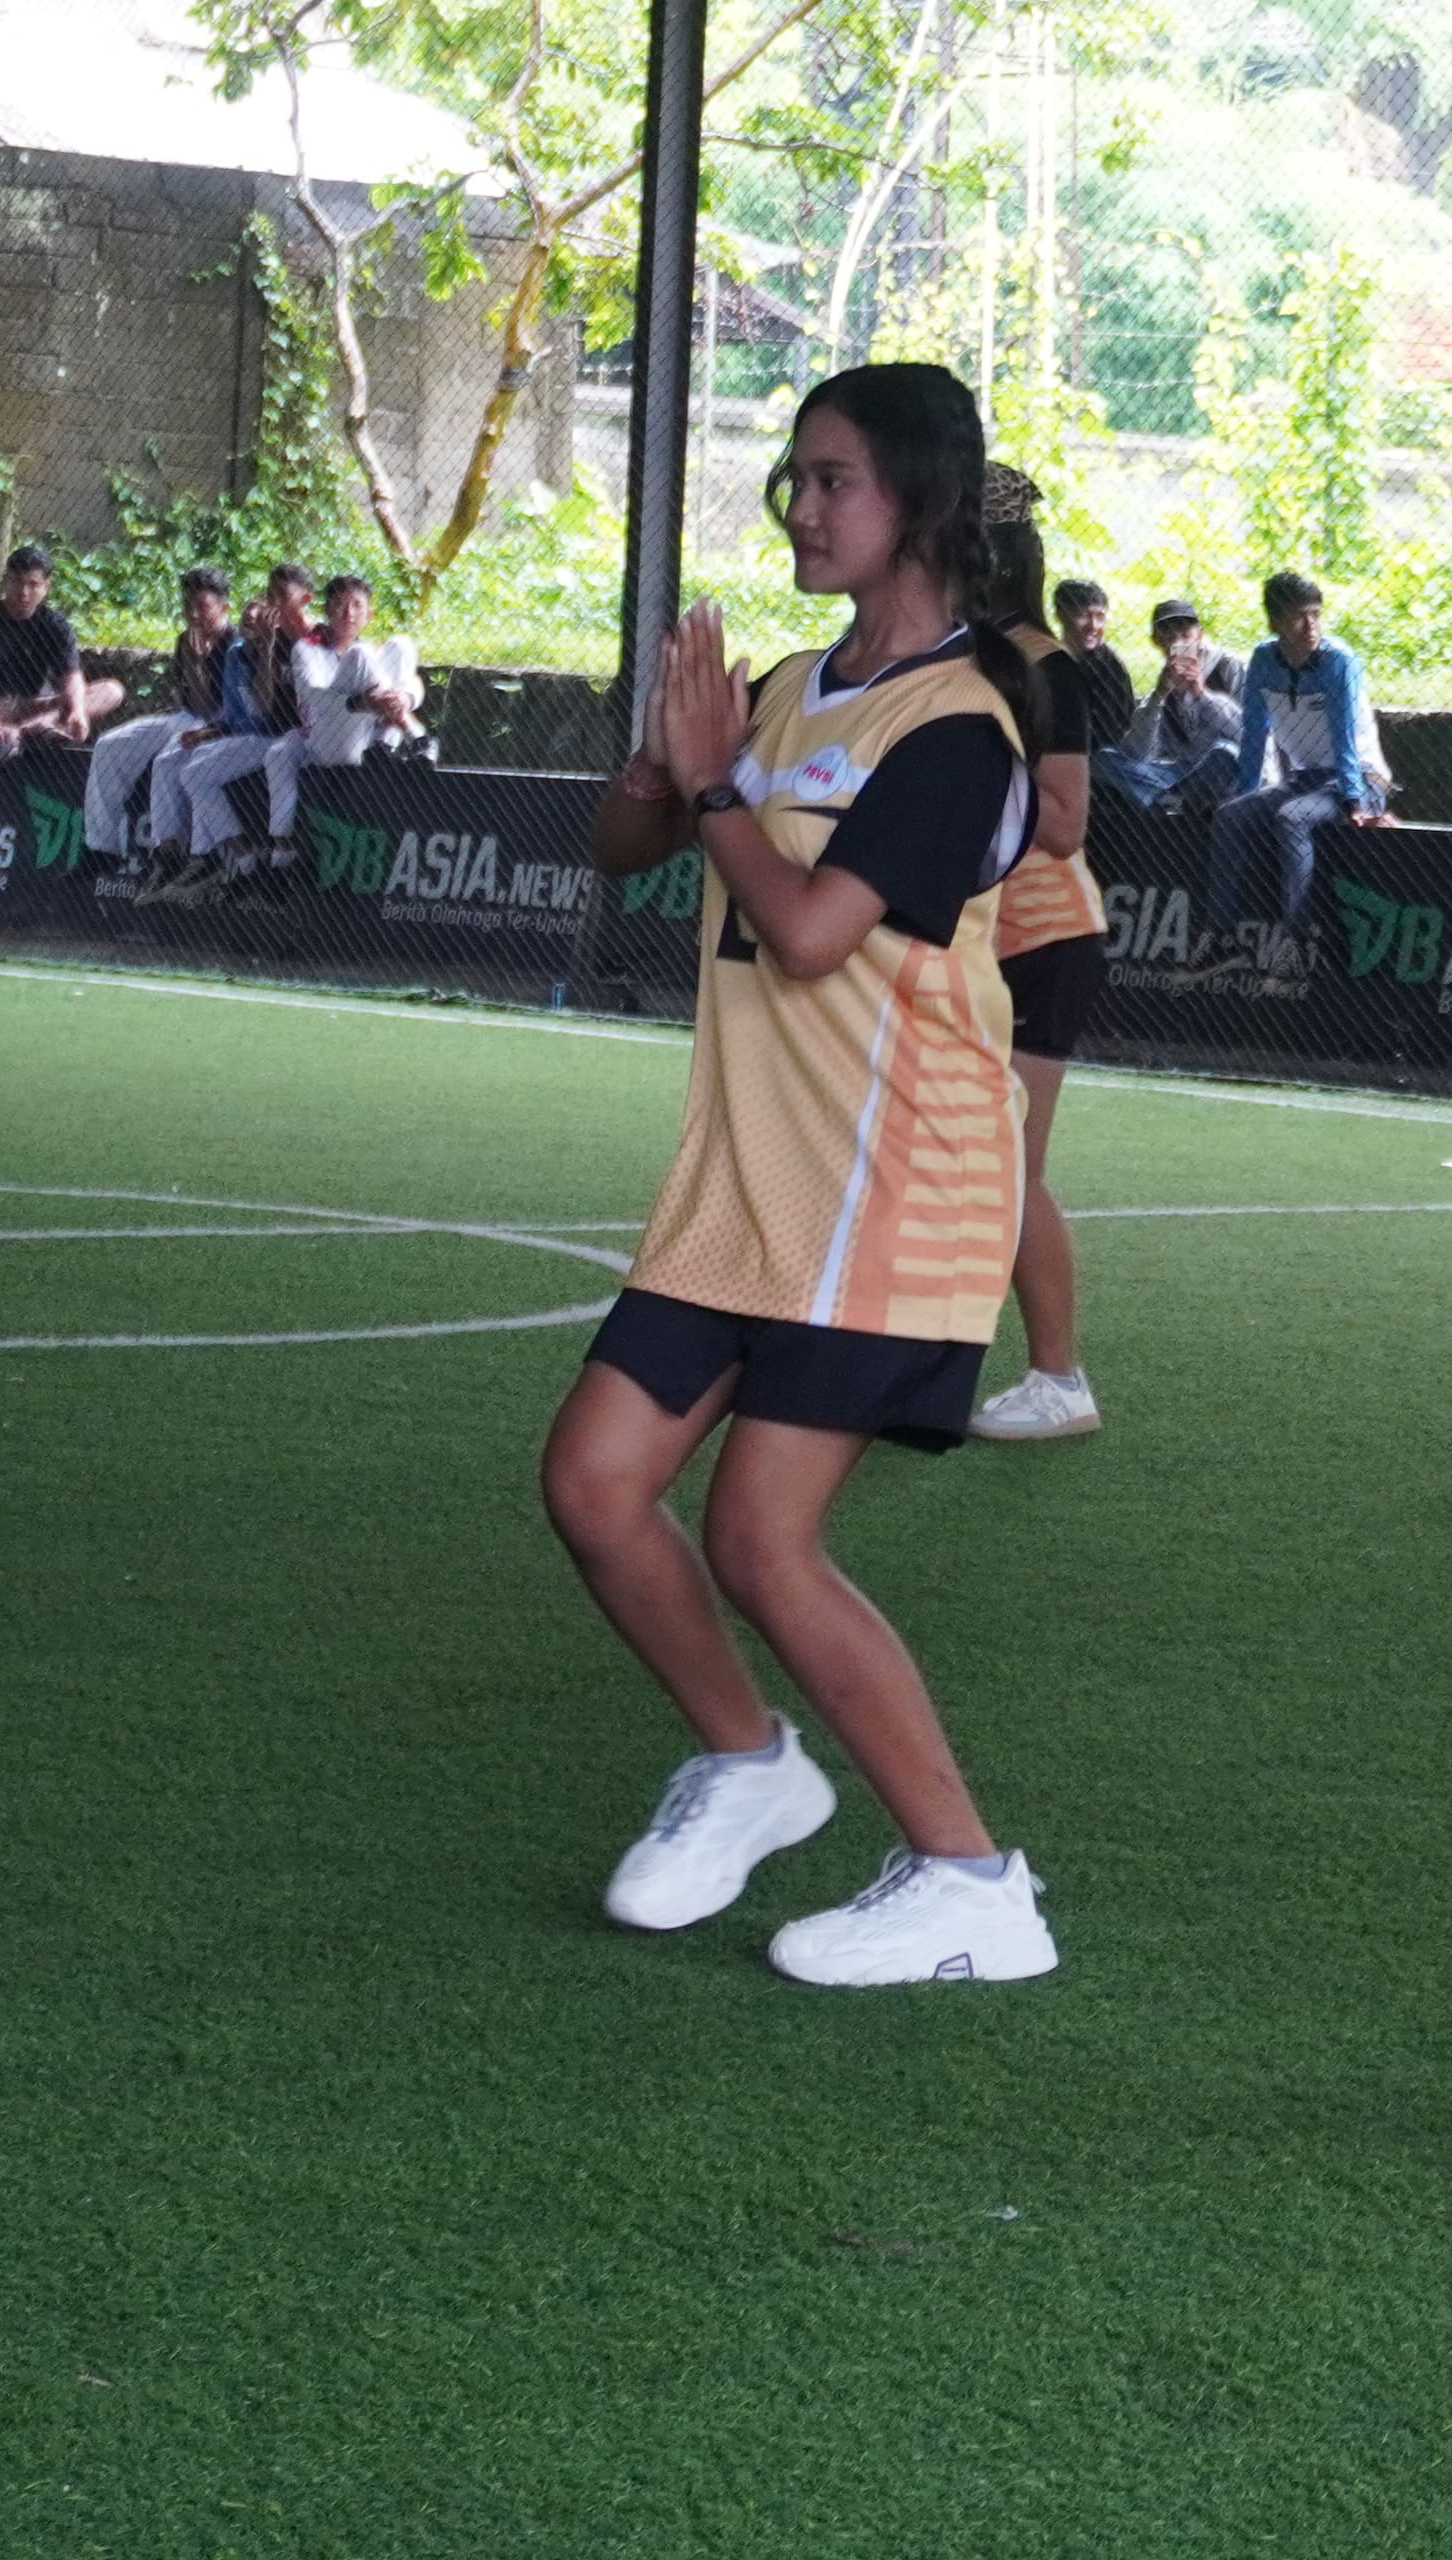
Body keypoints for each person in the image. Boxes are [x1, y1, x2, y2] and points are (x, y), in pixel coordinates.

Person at [552, 359, 1056, 1989]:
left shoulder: (962, 727)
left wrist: (717, 784)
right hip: (749, 1180)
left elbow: (816, 929)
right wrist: (666, 768)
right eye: (797, 477)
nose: (801, 506)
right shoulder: (784, 688)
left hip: (890, 1183)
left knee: (764, 1541)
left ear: (920, 502)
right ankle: (751, 1762)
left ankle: (974, 1882)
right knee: (593, 1484)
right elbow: (626, 849)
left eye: (833, 479)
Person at [969, 478, 1115, 1442]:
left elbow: (1064, 825)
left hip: (1041, 938)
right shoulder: (948, 654)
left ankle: (1060, 1379)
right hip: (973, 940)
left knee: (1010, 1165)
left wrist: (957, 780)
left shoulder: (1040, 665)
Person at [1204, 570, 1384, 946]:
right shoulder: (1262, 660)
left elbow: (1345, 741)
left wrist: (1354, 801)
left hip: (1360, 779)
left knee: (1292, 817)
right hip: (1306, 779)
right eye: (1299, 616)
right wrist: (1246, 795)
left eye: (1316, 614)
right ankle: (1221, 938)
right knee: (1229, 817)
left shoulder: (1339, 662)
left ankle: (1296, 941)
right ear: (1275, 622)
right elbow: (1254, 737)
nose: (1311, 626)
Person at [85, 565, 249, 887]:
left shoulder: (236, 644)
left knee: (170, 758)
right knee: (109, 744)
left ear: (224, 607)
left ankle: (170, 852)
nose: (194, 615)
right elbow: (187, 704)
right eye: (188, 606)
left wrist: (198, 664)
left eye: (202, 606)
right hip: (186, 716)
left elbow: (212, 709)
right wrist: (192, 659)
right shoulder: (185, 639)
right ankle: (101, 847)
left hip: (222, 723)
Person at [158, 562, 313, 880]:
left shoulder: (301, 642)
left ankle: (251, 856)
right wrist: (211, 731)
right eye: (246, 624)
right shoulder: (241, 652)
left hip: (281, 736)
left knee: (198, 770)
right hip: (252, 734)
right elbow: (241, 711)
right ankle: (220, 858)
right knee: (189, 763)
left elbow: (261, 709)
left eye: (281, 595)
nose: (272, 604)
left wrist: (267, 651)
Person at [0, 544, 115, 757]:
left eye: (33, 584)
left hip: (33, 706)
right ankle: (6, 730)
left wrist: (77, 710)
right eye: (17, 582)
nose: (24, 592)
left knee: (111, 690)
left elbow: (71, 677)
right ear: (5, 581)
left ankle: (34, 728)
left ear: (46, 586)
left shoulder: (55, 625)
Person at [294, 571, 426, 781]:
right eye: (340, 604)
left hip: (368, 739)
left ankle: (387, 742)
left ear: (369, 614)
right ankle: (413, 732)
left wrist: (404, 699)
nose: (349, 613)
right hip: (327, 742)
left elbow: (415, 684)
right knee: (359, 654)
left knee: (401, 645)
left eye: (357, 606)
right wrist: (358, 703)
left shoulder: (369, 650)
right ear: (327, 609)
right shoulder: (307, 648)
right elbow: (312, 697)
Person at [1106, 600, 1234, 814]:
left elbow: (1248, 730)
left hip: (1228, 767)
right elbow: (1138, 753)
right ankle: (1172, 799)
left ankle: (1166, 802)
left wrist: (1202, 694)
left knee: (1226, 753)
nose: (1178, 640)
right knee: (1105, 759)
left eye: (1185, 633)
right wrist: (1158, 696)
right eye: (1168, 634)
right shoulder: (1166, 685)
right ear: (1156, 640)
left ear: (1200, 635)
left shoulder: (1227, 667)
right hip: (1183, 771)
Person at [1048, 577, 1140, 757]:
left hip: (1109, 755)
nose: (1093, 626)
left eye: (1100, 617)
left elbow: (1126, 722)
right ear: (1061, 615)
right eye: (1083, 615)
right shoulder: (1048, 663)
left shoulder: (1111, 665)